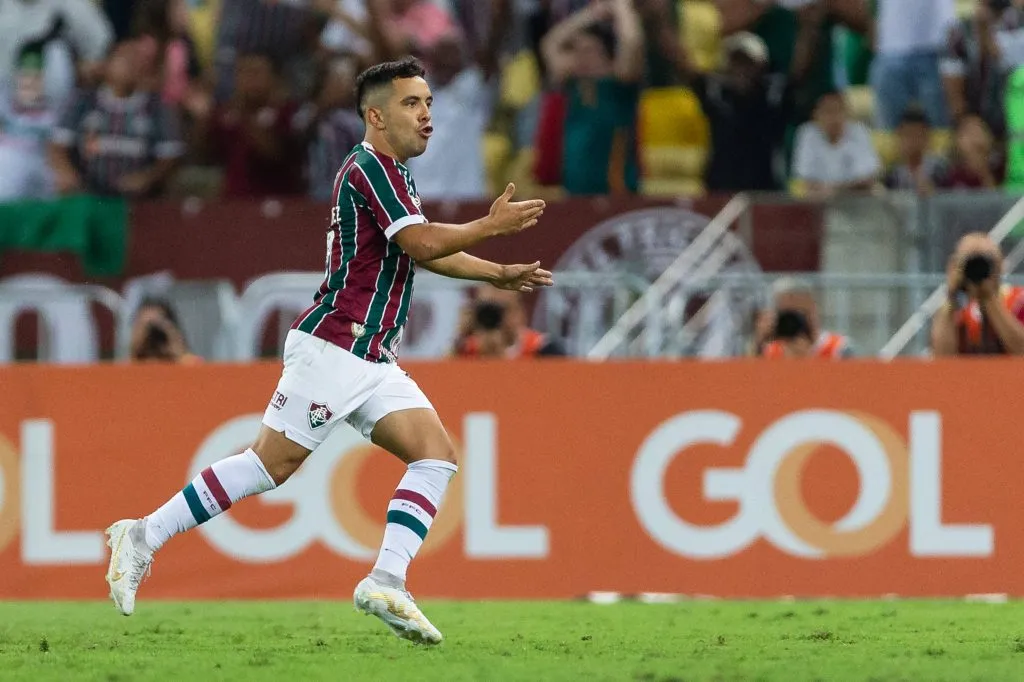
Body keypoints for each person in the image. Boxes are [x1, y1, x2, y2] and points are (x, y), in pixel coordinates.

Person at [103, 57, 550, 645]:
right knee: (269, 465)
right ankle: (142, 536)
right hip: (336, 345)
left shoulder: (393, 173)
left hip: (372, 357)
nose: (426, 116)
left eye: (429, 103)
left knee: (435, 455)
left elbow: (421, 250)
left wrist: (493, 274)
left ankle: (387, 579)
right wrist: (489, 228)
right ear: (376, 115)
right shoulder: (370, 167)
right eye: (412, 104)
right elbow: (420, 241)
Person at [49, 41, 184, 197]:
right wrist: (67, 173)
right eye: (124, 60)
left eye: (136, 61)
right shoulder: (84, 101)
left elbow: (171, 156)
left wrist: (149, 177)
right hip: (87, 194)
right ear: (107, 65)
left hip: (139, 200)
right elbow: (57, 146)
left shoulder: (157, 106)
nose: (131, 66)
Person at [540, 0, 644, 195]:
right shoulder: (574, 86)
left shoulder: (619, 86)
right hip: (574, 193)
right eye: (576, 52)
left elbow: (631, 41)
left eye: (588, 51)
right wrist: (591, 14)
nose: (580, 58)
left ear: (606, 55)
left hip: (616, 192)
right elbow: (550, 44)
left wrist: (621, 7)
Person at [932, 232, 1024, 355]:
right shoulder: (957, 310)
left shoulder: (1018, 301)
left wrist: (990, 298)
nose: (977, 268)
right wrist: (951, 298)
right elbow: (940, 359)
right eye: (970, 262)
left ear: (1000, 264)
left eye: (986, 261)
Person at [791, 89, 881, 199]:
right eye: (828, 111)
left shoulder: (859, 132)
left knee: (876, 191)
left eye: (839, 110)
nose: (834, 118)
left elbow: (867, 179)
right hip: (820, 201)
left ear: (847, 112)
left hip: (855, 201)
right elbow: (807, 182)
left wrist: (834, 191)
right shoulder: (807, 133)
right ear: (815, 114)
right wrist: (838, 190)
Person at [453, 287, 566, 358]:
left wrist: (501, 359)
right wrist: (459, 335)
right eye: (487, 310)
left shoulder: (543, 350)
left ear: (519, 313)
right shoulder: (465, 350)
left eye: (500, 310)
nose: (492, 318)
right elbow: (441, 382)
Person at [756, 277, 854, 359]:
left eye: (799, 312)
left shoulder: (839, 348)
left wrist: (807, 357)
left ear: (813, 309)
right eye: (787, 314)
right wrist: (759, 342)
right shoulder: (771, 350)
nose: (792, 321)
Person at [883, 107, 950, 193]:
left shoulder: (941, 170)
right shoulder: (893, 174)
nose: (911, 141)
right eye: (906, 135)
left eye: (917, 135)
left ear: (927, 138)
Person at [129, 298, 202, 364]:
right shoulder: (125, 368)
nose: (152, 336)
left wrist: (180, 353)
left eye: (156, 328)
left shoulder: (187, 363)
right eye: (145, 326)